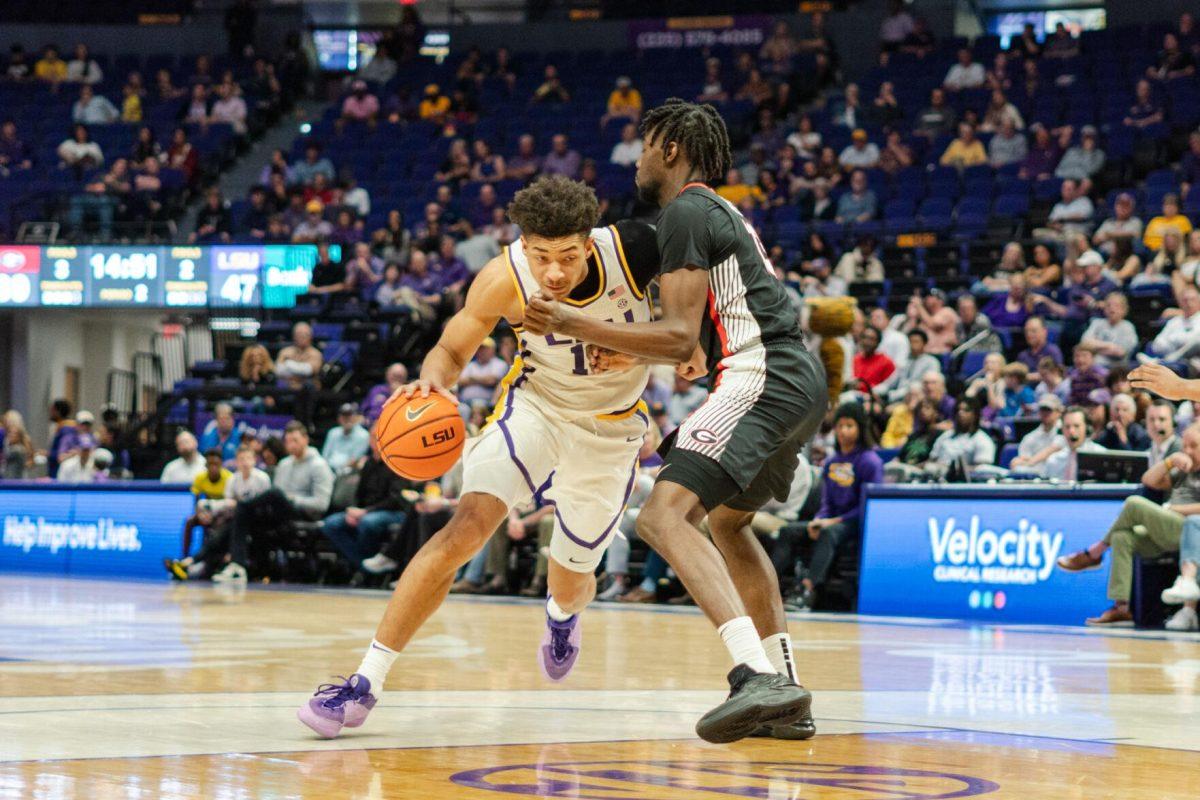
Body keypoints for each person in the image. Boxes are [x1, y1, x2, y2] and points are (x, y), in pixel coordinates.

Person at [297, 176, 665, 739]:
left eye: (568, 256)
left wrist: (670, 350)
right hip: (534, 408)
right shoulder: (504, 276)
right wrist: (432, 385)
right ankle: (364, 682)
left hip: (611, 432)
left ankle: (562, 617)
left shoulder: (636, 250)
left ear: (590, 242)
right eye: (541, 256)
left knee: (571, 582)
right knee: (464, 529)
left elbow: (697, 312)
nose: (555, 272)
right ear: (524, 245)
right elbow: (450, 347)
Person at [521, 100, 827, 743]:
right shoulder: (713, 212)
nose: (635, 160)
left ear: (667, 147)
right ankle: (787, 693)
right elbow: (691, 345)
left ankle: (756, 676)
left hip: (763, 373)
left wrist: (571, 322)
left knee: (662, 516)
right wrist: (648, 346)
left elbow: (678, 331)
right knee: (730, 524)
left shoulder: (686, 209)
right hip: (786, 376)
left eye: (641, 146)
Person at [1057, 422, 1200, 625]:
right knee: (1122, 537)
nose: (1187, 451)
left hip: (1191, 532)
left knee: (1134, 503)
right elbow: (1148, 480)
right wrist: (1169, 461)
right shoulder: (1184, 470)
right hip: (1168, 531)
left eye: (1193, 446)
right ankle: (1122, 608)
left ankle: (1094, 553)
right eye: (1184, 446)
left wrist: (1173, 509)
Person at [771, 403, 882, 612]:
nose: (843, 431)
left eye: (849, 426)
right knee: (788, 531)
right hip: (828, 521)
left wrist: (833, 521)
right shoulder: (832, 462)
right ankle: (766, 587)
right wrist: (819, 519)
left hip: (854, 523)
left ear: (860, 429)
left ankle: (806, 591)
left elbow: (867, 506)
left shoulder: (870, 461)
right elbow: (826, 501)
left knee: (828, 533)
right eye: (839, 426)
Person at [217, 421, 334, 584]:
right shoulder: (284, 464)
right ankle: (236, 566)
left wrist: (293, 499)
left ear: (306, 439)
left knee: (271, 495)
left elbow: (321, 504)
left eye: (295, 440)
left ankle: (242, 507)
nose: (291, 445)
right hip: (280, 512)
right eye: (288, 441)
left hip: (304, 513)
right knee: (244, 513)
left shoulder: (319, 466)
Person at [320, 446, 412, 568]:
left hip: (394, 513)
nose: (377, 442)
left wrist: (365, 511)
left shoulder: (398, 463)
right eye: (374, 437)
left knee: (367, 523)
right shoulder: (368, 463)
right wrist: (354, 510)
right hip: (366, 511)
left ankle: (369, 565)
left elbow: (396, 500)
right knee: (330, 524)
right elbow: (359, 493)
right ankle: (364, 565)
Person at [1009, 394, 1066, 475]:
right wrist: (1023, 462)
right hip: (1036, 477)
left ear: (1059, 412)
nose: (1045, 413)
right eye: (1042, 409)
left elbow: (1054, 448)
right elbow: (1022, 460)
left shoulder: (1066, 430)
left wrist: (1030, 462)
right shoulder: (1030, 437)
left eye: (1048, 410)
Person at [1042, 405, 1102, 480]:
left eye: (1076, 426)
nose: (1071, 431)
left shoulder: (1101, 456)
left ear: (1086, 428)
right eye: (1067, 427)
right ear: (1062, 430)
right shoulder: (1053, 461)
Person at [1080, 293, 1138, 368]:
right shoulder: (1097, 323)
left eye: (1116, 306)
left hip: (1116, 368)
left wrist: (1095, 348)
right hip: (1093, 367)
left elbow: (1120, 353)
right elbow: (1084, 343)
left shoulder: (1128, 327)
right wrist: (1109, 345)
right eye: (1108, 305)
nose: (1112, 308)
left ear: (1124, 310)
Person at [322, 404, 371, 471]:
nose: (347, 419)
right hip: (329, 469)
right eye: (344, 416)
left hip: (349, 471)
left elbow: (355, 460)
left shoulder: (363, 435)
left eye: (350, 416)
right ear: (339, 418)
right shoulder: (333, 432)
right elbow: (325, 456)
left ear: (355, 417)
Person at [276, 322, 324, 390]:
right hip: (287, 389)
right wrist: (300, 372)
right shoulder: (285, 352)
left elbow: (309, 371)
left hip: (309, 391)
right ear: (294, 336)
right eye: (299, 334)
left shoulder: (316, 354)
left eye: (305, 335)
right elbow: (279, 371)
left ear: (311, 337)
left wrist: (287, 364)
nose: (302, 337)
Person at [1146, 399, 1182, 468]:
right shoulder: (1146, 450)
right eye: (1151, 419)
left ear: (1173, 423)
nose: (1156, 424)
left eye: (1162, 419)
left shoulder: (1182, 450)